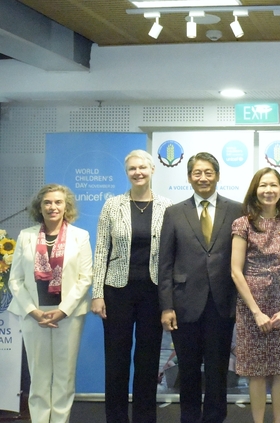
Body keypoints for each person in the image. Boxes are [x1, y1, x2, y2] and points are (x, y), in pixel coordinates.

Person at [158, 152, 242, 423]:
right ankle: (190, 418)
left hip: (222, 302)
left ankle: (215, 418)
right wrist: (167, 306)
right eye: (197, 173)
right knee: (189, 369)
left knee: (218, 370)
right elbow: (165, 263)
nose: (203, 177)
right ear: (189, 177)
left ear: (217, 176)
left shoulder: (237, 210)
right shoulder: (173, 213)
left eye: (208, 172)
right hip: (184, 304)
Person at [91, 150, 173, 423]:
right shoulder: (112, 205)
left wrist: (169, 299)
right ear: (127, 173)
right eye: (132, 169)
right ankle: (115, 418)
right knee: (116, 360)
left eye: (142, 167)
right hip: (117, 292)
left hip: (153, 292)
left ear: (152, 170)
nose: (138, 172)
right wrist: (97, 294)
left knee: (148, 360)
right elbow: (101, 250)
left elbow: (171, 254)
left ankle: (145, 417)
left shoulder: (166, 206)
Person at [7, 184, 92, 423]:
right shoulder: (26, 236)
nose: (52, 207)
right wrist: (32, 311)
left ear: (66, 207)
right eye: (47, 202)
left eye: (58, 202)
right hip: (34, 315)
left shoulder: (80, 236)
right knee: (39, 376)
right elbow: (16, 279)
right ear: (40, 207)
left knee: (64, 377)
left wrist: (64, 310)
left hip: (67, 314)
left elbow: (85, 278)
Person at [231, 168, 280, 423]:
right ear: (255, 190)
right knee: (256, 371)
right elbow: (236, 272)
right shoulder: (242, 224)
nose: (268, 190)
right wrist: (256, 312)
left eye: (274, 185)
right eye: (263, 185)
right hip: (252, 303)